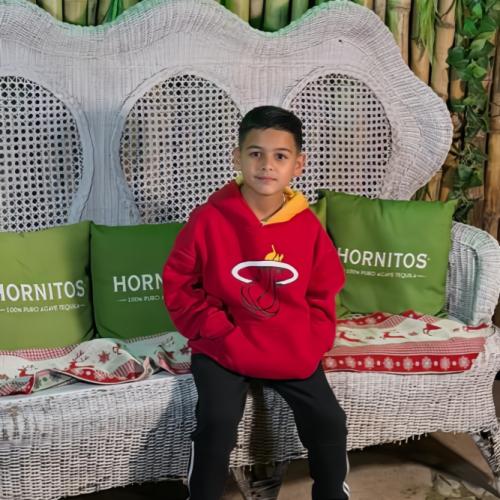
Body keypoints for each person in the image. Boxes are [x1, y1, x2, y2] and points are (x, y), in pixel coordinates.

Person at [163, 105, 348, 500]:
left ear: (298, 164)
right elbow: (180, 285)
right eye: (255, 153)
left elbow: (323, 290)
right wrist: (217, 331)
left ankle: (333, 494)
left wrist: (313, 339)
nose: (267, 165)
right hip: (223, 347)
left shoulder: (308, 226)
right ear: (237, 157)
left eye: (280, 156)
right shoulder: (208, 219)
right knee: (216, 422)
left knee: (329, 420)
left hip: (291, 347)